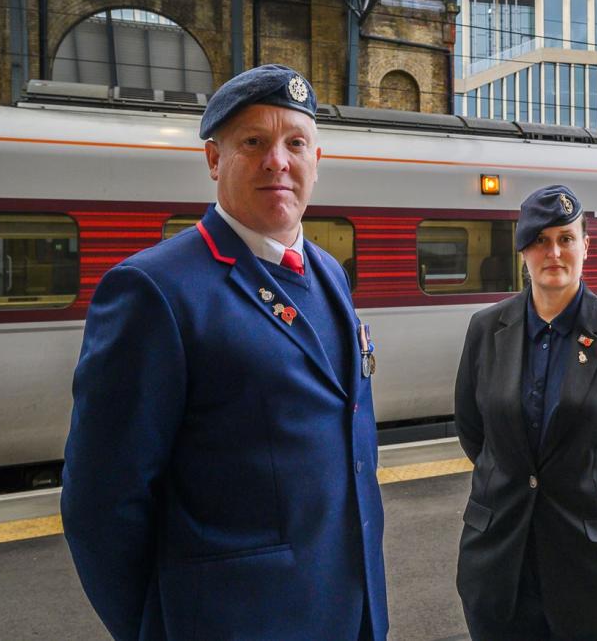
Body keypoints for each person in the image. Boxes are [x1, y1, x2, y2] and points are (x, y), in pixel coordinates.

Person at [61, 65, 388, 640]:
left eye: (295, 143)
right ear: (215, 160)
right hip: (234, 622)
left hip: (349, 609)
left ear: (318, 159)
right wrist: (155, 628)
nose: (278, 162)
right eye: (253, 142)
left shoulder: (329, 273)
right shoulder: (155, 289)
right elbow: (100, 502)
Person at [454, 185, 597, 640]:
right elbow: (473, 431)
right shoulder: (486, 330)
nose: (552, 252)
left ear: (585, 246)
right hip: (503, 566)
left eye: (565, 238)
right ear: (522, 252)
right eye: (539, 241)